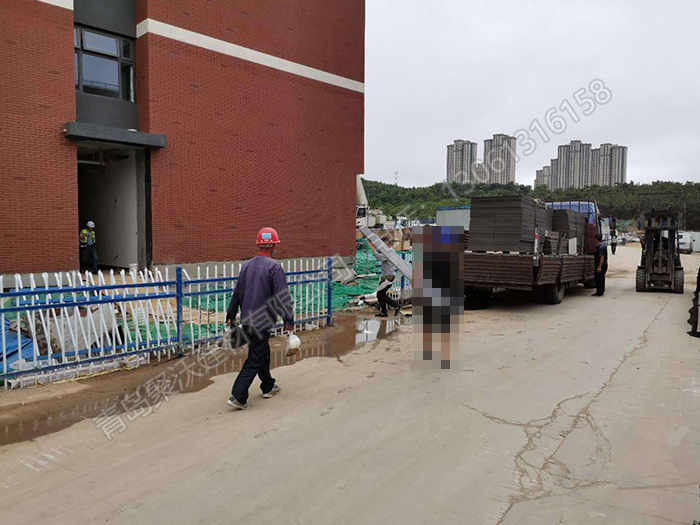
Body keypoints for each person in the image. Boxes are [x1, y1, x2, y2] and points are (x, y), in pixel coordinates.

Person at [225, 227, 294, 410]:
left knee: (262, 352)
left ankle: (268, 386)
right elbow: (282, 296)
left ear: (259, 245)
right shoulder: (274, 267)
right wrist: (289, 320)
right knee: (255, 357)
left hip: (247, 319)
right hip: (262, 321)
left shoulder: (247, 266)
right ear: (273, 246)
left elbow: (237, 293)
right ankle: (238, 396)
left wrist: (230, 315)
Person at [370, 236, 401, 317]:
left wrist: (373, 249)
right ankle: (384, 312)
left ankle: (396, 305)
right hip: (387, 276)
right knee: (380, 294)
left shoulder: (389, 253)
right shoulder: (388, 251)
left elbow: (379, 257)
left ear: (387, 244)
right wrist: (374, 245)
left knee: (381, 294)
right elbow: (379, 252)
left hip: (388, 277)